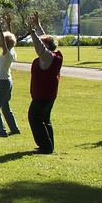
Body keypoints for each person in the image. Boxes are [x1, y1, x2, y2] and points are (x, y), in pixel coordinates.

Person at [23, 11, 62, 154]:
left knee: (34, 118)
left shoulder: (47, 57)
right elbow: (43, 39)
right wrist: (38, 25)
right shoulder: (52, 56)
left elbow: (40, 46)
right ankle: (48, 145)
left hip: (43, 95)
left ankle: (45, 147)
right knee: (45, 119)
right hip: (49, 94)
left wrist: (31, 32)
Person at [0, 13, 21, 137]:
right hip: (7, 81)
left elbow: (4, 43)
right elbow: (11, 38)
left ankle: (2, 131)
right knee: (5, 106)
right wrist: (9, 24)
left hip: (2, 82)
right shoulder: (12, 52)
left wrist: (0, 30)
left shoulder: (6, 53)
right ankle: (14, 129)